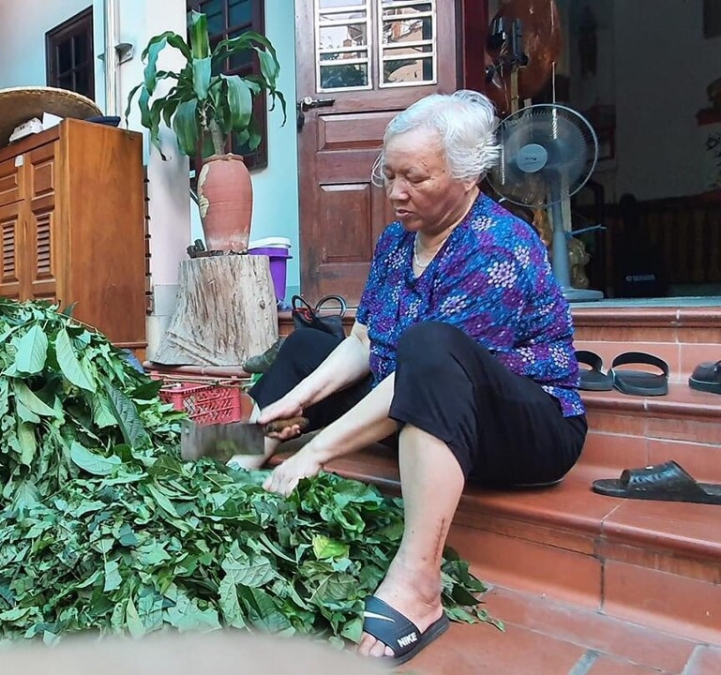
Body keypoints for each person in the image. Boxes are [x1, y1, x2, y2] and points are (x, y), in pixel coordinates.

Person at [245, 89, 588, 667]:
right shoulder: (398, 240)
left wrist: (316, 453)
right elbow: (364, 341)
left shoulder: (498, 246)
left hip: (525, 429)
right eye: (390, 173)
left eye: (416, 178)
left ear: (468, 174)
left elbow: (420, 369)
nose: (397, 192)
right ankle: (241, 446)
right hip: (419, 398)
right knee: (309, 343)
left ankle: (420, 583)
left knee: (427, 346)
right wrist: (292, 405)